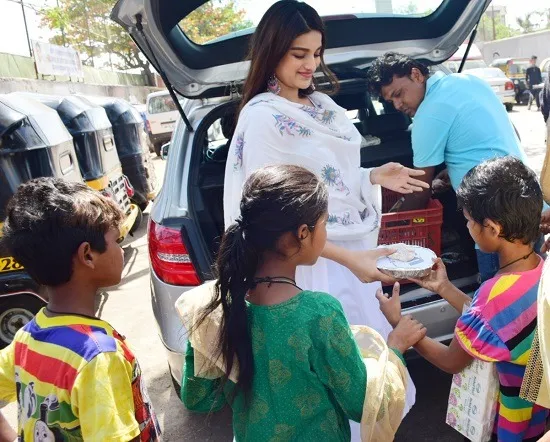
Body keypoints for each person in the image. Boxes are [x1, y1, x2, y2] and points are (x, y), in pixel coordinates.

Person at [223, 2, 426, 417]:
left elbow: (330, 178)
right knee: (327, 381)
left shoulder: (322, 107)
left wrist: (371, 176)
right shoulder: (263, 119)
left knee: (363, 368)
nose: (311, 65)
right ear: (272, 50)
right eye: (299, 54)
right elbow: (274, 218)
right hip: (308, 265)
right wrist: (348, 258)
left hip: (349, 259)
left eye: (316, 54)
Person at [178, 165, 427, 441]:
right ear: (303, 234)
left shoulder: (217, 306)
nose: (326, 233)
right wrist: (395, 348)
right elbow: (363, 405)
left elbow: (197, 398)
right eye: (325, 223)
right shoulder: (318, 314)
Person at [378, 156, 549, 441]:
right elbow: (496, 323)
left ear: (493, 229)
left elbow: (450, 361)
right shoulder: (540, 270)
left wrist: (402, 327)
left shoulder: (491, 298)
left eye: (469, 221)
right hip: (538, 408)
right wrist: (444, 287)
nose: (467, 227)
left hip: (513, 425)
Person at [0, 178, 161, 441]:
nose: (120, 250)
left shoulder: (26, 339)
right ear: (88, 255)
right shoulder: (97, 356)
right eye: (116, 241)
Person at [367, 52, 537, 283]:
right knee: (535, 293)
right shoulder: (469, 82)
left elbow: (420, 189)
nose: (397, 105)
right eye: (390, 101)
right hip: (531, 206)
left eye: (398, 94)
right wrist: (455, 169)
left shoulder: (429, 115)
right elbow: (499, 136)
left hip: (493, 224)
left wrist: (384, 227)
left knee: (497, 304)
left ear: (416, 74)